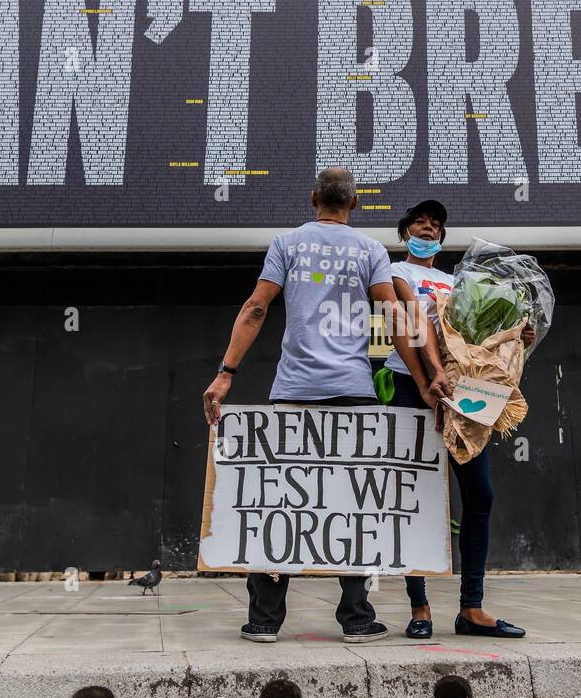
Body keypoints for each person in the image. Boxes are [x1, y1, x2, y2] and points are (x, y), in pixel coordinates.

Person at [201, 168, 449, 645]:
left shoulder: (287, 243)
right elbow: (395, 316)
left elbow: (256, 308)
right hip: (353, 391)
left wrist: (225, 373)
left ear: (312, 198)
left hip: (294, 389)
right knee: (353, 500)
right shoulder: (370, 251)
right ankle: (357, 619)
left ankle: (264, 621)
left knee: (280, 498)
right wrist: (422, 380)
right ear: (354, 205)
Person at [384, 199, 533, 639]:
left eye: (435, 226)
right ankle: (419, 607)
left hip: (466, 390)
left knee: (480, 494)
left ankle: (472, 607)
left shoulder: (459, 282)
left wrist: (515, 331)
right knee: (414, 496)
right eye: (420, 223)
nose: (428, 229)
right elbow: (410, 321)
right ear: (405, 232)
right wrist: (430, 375)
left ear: (443, 238)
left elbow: (482, 337)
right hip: (413, 386)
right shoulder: (397, 273)